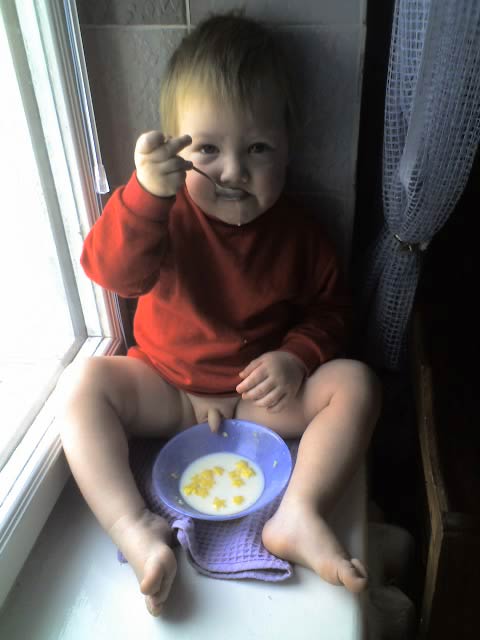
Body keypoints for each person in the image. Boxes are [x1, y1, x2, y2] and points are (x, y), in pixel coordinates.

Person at [59, 12, 381, 617]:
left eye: (258, 148)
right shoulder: (162, 212)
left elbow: (333, 311)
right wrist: (144, 194)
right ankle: (134, 527)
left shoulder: (301, 233)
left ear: (289, 145)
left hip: (258, 401)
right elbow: (110, 272)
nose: (233, 172)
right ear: (176, 150)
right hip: (165, 388)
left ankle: (298, 514)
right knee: (81, 386)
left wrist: (296, 357)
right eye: (207, 149)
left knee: (356, 383)